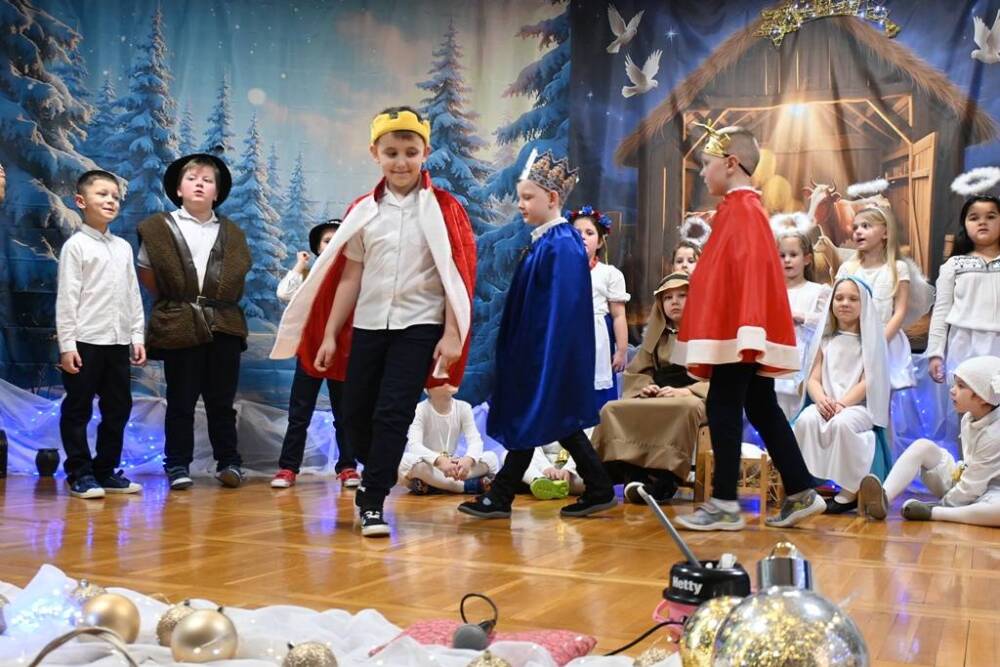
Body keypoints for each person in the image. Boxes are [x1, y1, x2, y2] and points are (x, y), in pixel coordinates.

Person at [270, 106, 476, 537]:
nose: (401, 162)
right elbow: (349, 276)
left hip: (419, 326)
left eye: (410, 152)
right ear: (375, 154)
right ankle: (380, 463)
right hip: (367, 327)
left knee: (393, 412)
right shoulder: (364, 210)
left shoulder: (443, 208)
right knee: (354, 414)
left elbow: (456, 275)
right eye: (391, 153)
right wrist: (329, 333)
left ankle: (373, 499)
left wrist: (452, 333)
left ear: (425, 153)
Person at [671, 122, 824, 531]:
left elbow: (750, 279)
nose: (703, 172)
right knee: (759, 404)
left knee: (723, 403)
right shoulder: (739, 210)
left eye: (707, 164)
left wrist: (746, 330)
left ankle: (724, 503)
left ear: (731, 163)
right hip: (740, 327)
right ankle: (801, 490)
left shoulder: (743, 211)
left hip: (739, 328)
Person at [457, 150, 616, 520]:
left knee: (542, 419)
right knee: (555, 421)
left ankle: (502, 496)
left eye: (528, 197)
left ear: (553, 198)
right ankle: (596, 488)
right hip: (537, 351)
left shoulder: (560, 243)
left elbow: (561, 309)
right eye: (520, 196)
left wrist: (546, 358)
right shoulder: (548, 241)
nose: (521, 204)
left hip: (547, 354)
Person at [137, 153, 251, 490]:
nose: (199, 184)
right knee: (181, 400)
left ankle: (229, 462)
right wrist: (180, 301)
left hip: (224, 323)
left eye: (207, 180)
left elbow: (238, 275)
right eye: (192, 179)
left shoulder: (232, 233)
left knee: (221, 402)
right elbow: (148, 274)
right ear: (178, 189)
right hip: (180, 321)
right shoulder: (158, 228)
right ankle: (177, 464)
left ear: (217, 192)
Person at [56, 170, 145, 498]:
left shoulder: (122, 248)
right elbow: (67, 299)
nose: (110, 201)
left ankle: (105, 470)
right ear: (81, 201)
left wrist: (137, 335)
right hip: (85, 342)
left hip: (117, 342)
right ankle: (79, 473)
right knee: (78, 408)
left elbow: (133, 294)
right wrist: (67, 345)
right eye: (102, 194)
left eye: (115, 197)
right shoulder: (76, 246)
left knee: (118, 407)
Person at [592, 272, 707, 504]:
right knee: (612, 409)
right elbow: (637, 372)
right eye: (668, 298)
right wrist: (647, 387)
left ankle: (666, 479)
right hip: (662, 394)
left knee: (684, 408)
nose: (674, 302)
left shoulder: (709, 334)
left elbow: (725, 379)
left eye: (682, 296)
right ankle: (627, 473)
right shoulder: (656, 335)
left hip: (697, 395)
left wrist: (688, 391)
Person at [859, 356, 1000, 527]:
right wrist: (956, 486)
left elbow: (974, 485)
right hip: (966, 486)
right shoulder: (969, 417)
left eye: (961, 386)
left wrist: (946, 503)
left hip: (989, 494)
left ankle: (936, 512)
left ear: (983, 397)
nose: (952, 390)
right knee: (923, 447)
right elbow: (970, 477)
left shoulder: (995, 435)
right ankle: (883, 498)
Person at [271, 219, 360, 488]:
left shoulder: (355, 275)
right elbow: (284, 292)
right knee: (299, 413)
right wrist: (300, 265)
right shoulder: (310, 276)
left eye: (337, 239)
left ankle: (347, 466)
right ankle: (288, 467)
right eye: (326, 241)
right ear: (318, 247)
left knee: (345, 414)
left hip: (344, 353)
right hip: (310, 351)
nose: (332, 244)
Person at [793, 277, 891, 513]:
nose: (845, 303)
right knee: (806, 419)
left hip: (858, 407)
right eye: (839, 298)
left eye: (852, 299)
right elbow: (813, 378)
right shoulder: (825, 341)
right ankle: (809, 485)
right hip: (827, 404)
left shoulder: (870, 344)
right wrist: (821, 400)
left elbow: (868, 382)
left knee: (842, 425)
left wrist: (841, 404)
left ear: (864, 305)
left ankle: (849, 492)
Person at [927, 188, 1000, 384]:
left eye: (991, 216)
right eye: (974, 218)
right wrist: (935, 353)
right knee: (965, 399)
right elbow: (941, 311)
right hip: (963, 345)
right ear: (965, 225)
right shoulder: (954, 265)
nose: (982, 222)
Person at [568, 205, 629, 408]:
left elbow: (618, 315)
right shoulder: (559, 270)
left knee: (597, 395)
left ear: (600, 241)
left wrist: (621, 350)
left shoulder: (609, 274)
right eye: (577, 233)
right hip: (567, 336)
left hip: (597, 339)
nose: (583, 237)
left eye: (589, 233)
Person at [399, 384, 497, 494]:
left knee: (491, 458)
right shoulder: (419, 410)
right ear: (429, 388)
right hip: (429, 464)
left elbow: (475, 441)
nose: (452, 381)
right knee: (404, 461)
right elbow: (414, 446)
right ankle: (465, 486)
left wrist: (468, 460)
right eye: (445, 380)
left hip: (452, 466)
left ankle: (435, 485)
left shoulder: (464, 407)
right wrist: (439, 461)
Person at [775, 230, 831, 419]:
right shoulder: (772, 292)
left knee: (796, 415)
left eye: (793, 255)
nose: (787, 260)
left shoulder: (818, 291)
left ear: (807, 259)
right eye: (782, 255)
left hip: (804, 359)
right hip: (775, 358)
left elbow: (828, 323)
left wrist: (801, 317)